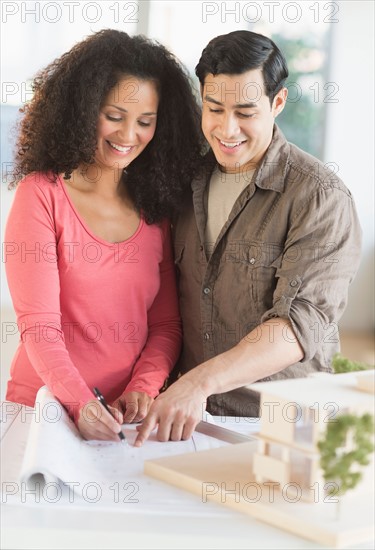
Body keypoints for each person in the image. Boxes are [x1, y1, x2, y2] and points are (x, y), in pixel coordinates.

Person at [135, 30, 362, 446]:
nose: (227, 129)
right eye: (214, 108)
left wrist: (198, 383)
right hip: (193, 420)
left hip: (281, 426)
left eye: (245, 111)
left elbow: (297, 326)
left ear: (277, 103)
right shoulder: (184, 182)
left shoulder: (319, 197)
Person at [4, 29, 203, 441]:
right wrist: (80, 403)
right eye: (114, 116)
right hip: (43, 410)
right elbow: (39, 326)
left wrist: (143, 389)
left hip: (126, 422)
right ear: (81, 109)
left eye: (145, 122)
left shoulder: (154, 207)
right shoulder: (42, 195)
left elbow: (166, 324)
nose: (128, 136)